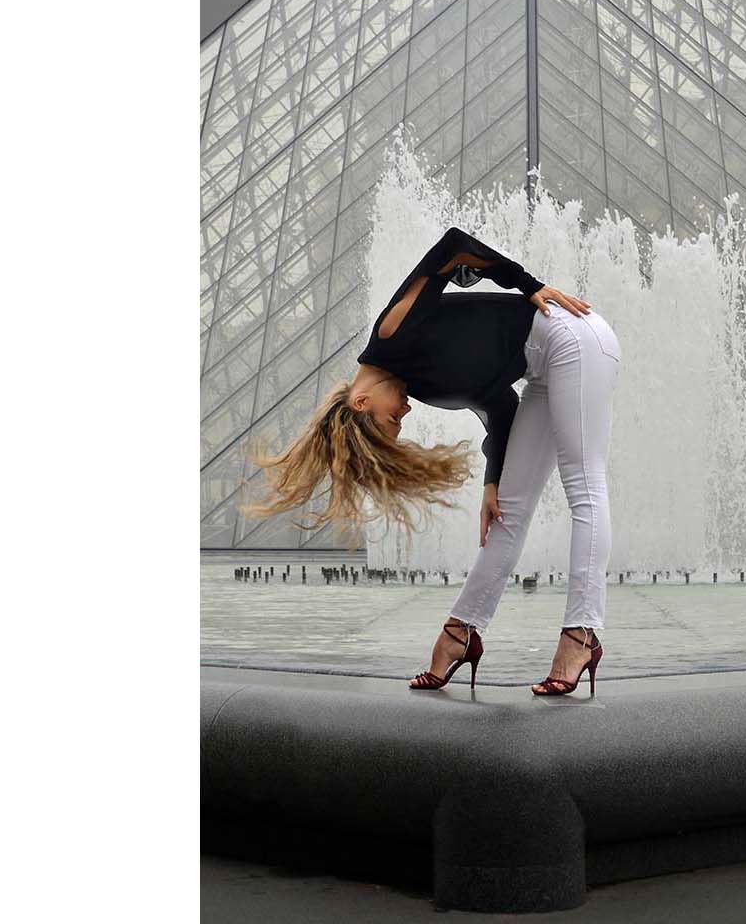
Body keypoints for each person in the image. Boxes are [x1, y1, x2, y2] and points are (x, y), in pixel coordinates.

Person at [240, 225, 622, 696]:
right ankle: (460, 634)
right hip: (545, 365)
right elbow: (500, 406)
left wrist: (529, 285)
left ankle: (581, 636)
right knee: (507, 512)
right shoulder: (427, 388)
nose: (404, 414)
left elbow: (454, 247)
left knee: (583, 484)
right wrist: (492, 483)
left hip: (575, 337)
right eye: (399, 422)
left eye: (391, 421)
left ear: (361, 403)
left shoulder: (391, 334)